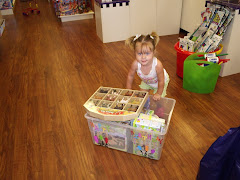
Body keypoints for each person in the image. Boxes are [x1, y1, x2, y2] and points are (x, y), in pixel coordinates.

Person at [125, 32, 169, 101]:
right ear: (135, 53)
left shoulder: (157, 65)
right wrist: (128, 89)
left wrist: (158, 93)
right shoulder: (135, 64)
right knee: (141, 97)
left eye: (147, 53)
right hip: (147, 81)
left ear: (153, 52)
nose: (143, 57)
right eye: (139, 53)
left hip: (160, 83)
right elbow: (130, 76)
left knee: (158, 100)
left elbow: (161, 81)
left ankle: (160, 109)